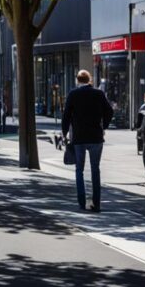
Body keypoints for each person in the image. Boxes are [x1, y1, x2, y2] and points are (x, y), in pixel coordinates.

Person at [62, 70, 114, 212]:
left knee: (79, 169)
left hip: (78, 137)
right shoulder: (98, 94)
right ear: (90, 79)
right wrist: (104, 126)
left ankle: (81, 201)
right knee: (95, 169)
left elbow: (66, 115)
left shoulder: (73, 94)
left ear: (77, 80)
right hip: (96, 136)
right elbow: (109, 111)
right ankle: (96, 203)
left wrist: (64, 132)